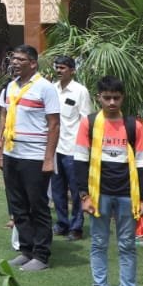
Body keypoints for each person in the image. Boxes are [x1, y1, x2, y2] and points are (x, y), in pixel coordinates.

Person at [74, 75, 143, 286]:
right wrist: (83, 196)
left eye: (116, 98)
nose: (112, 102)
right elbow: (80, 160)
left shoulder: (133, 125)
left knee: (127, 244)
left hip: (128, 194)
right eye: (107, 98)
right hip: (99, 193)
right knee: (98, 242)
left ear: (122, 98)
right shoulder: (89, 122)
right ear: (99, 98)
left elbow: (142, 163)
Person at [0, 44, 60, 271]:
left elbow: (54, 125)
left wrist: (49, 158)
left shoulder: (45, 88)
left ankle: (41, 255)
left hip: (34, 156)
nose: (15, 62)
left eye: (20, 59)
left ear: (33, 63)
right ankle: (26, 250)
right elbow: (4, 117)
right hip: (12, 153)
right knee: (18, 205)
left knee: (38, 205)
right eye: (13, 58)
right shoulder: (10, 87)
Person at [52, 55, 92, 240]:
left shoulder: (80, 91)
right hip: (55, 148)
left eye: (63, 68)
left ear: (72, 70)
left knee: (76, 191)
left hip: (73, 149)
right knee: (57, 189)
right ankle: (62, 223)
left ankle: (76, 226)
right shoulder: (52, 89)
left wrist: (84, 147)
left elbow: (86, 121)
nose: (59, 71)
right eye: (57, 67)